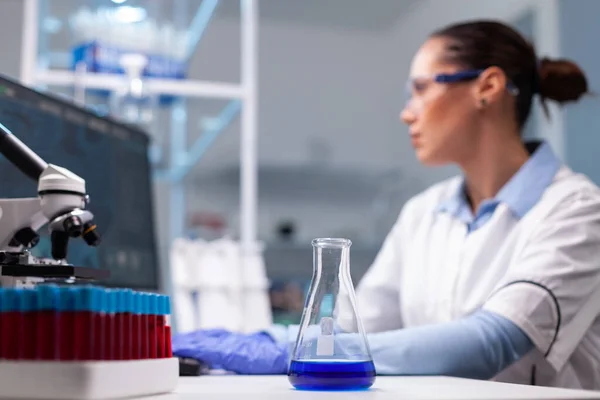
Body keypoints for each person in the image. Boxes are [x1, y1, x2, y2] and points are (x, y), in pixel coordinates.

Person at [172, 20, 600, 390]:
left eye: (420, 89)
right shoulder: (423, 212)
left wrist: (287, 349)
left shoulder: (576, 210)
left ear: (486, 88)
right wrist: (259, 339)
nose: (406, 113)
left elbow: (494, 341)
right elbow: (356, 327)